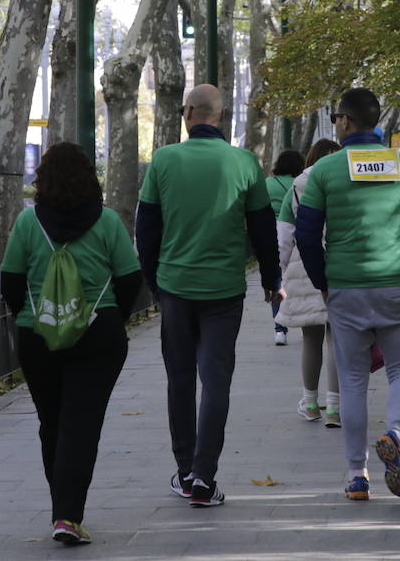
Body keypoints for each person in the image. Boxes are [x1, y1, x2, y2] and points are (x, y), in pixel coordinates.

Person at [134, 84, 281, 509]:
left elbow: (146, 229)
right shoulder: (244, 163)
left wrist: (155, 280)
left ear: (187, 113)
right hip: (224, 289)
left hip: (175, 287)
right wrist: (271, 279)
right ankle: (204, 476)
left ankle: (184, 470)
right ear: (219, 116)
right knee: (216, 380)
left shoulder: (164, 160)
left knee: (179, 380)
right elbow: (262, 229)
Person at [295, 88, 400, 501]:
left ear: (343, 121)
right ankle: (395, 432)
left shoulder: (325, 171)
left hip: (345, 286)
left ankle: (357, 474)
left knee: (353, 379)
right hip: (395, 281)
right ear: (377, 121)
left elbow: (306, 233)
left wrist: (324, 280)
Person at [0, 142, 142, 546]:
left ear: (42, 180)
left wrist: (29, 317)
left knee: (53, 422)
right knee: (82, 424)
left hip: (38, 334)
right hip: (99, 333)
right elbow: (131, 278)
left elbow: (11, 280)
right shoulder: (109, 222)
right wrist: (113, 317)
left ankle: (60, 509)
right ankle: (68, 514)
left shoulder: (28, 225)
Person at [275, 138, 343, 427]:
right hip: (341, 264)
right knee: (337, 340)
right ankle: (336, 408)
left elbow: (284, 235)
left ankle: (310, 402)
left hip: (304, 268)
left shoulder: (298, 185)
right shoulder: (345, 178)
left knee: (311, 338)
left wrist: (277, 273)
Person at [266, 149, 305, 345]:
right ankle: (303, 321)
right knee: (298, 281)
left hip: (272, 237)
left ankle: (279, 329)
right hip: (297, 236)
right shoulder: (300, 184)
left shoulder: (267, 184)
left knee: (277, 282)